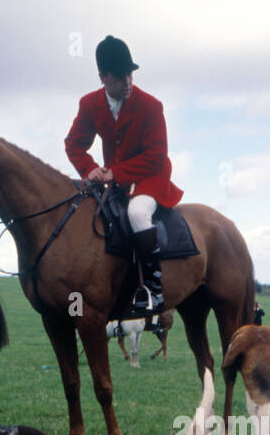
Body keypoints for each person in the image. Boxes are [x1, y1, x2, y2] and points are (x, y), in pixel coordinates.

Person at [65, 35, 183, 315]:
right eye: (119, 77)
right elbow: (74, 143)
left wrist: (113, 173)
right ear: (103, 77)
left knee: (137, 213)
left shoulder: (152, 106)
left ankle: (153, 287)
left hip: (151, 176)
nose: (127, 81)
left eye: (130, 74)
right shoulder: (89, 103)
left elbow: (155, 156)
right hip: (114, 179)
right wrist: (89, 169)